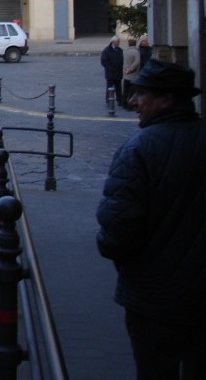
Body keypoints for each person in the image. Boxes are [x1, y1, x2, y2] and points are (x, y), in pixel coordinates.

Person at [96, 59, 206, 379]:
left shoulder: (138, 149)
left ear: (166, 99)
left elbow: (117, 232)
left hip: (155, 300)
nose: (132, 102)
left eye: (141, 94)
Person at [101, 36, 124, 107]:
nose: (119, 43)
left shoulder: (120, 50)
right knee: (110, 87)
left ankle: (120, 101)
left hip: (118, 72)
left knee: (118, 88)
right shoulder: (107, 50)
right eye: (118, 42)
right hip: (110, 73)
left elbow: (122, 60)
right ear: (113, 42)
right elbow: (104, 61)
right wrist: (110, 68)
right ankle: (108, 100)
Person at [122, 38, 140, 110]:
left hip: (125, 73)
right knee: (132, 91)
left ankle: (124, 104)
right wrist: (131, 68)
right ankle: (130, 106)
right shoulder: (136, 52)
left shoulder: (124, 51)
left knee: (125, 90)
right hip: (133, 74)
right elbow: (137, 62)